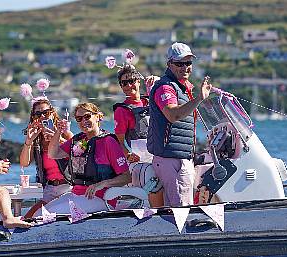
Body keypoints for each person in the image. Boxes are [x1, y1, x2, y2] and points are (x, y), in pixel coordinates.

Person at [147, 42, 212, 207]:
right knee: (181, 208)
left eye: (188, 63)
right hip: (171, 160)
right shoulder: (165, 88)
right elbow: (173, 114)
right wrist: (199, 98)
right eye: (179, 63)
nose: (185, 67)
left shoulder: (182, 88)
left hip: (180, 158)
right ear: (169, 64)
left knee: (178, 206)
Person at [38, 103, 131, 216]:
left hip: (101, 199)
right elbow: (53, 154)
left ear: (98, 117)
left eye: (87, 116)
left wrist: (102, 184)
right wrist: (58, 132)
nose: (83, 121)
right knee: (39, 213)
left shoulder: (108, 142)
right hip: (76, 195)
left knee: (46, 215)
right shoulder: (80, 141)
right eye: (79, 118)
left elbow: (126, 177)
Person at [112, 64, 164, 207]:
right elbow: (119, 141)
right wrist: (128, 155)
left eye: (132, 81)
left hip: (160, 154)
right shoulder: (122, 111)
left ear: (139, 81)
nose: (129, 85)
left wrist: (157, 82)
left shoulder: (151, 101)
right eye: (124, 83)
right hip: (141, 159)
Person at [20, 99, 73, 218]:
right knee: (30, 216)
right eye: (38, 114)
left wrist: (57, 138)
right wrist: (28, 141)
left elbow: (77, 152)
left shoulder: (65, 133)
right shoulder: (36, 139)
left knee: (43, 214)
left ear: (53, 113)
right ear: (34, 118)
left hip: (68, 187)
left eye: (46, 112)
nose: (43, 116)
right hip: (49, 189)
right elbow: (24, 163)